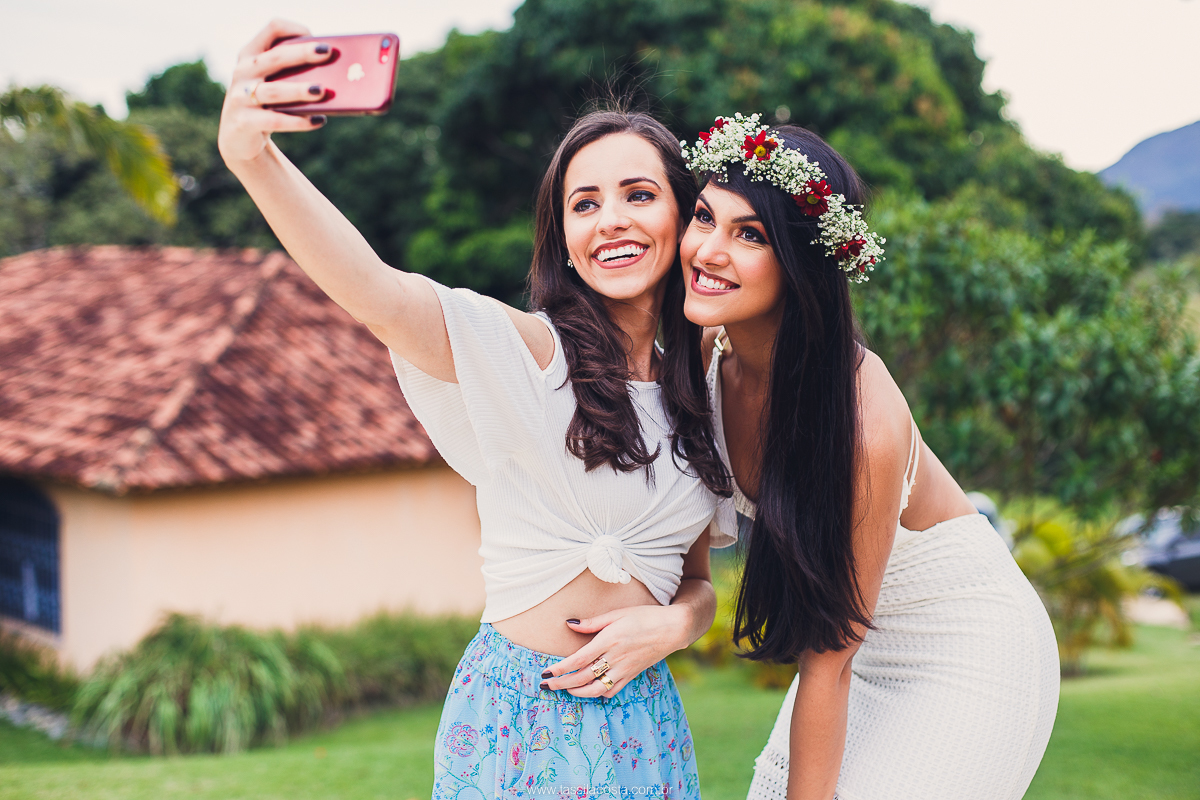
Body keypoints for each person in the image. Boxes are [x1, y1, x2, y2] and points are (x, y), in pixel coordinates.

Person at [218, 20, 732, 799]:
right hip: (518, 718)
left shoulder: (701, 393)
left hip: (643, 723)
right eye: (584, 204)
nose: (613, 220)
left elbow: (695, 581)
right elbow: (379, 294)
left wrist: (674, 626)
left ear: (682, 218)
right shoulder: (523, 352)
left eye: (639, 194)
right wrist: (254, 164)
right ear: (563, 238)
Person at [678, 114, 1059, 800]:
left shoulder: (861, 424)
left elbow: (828, 664)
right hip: (852, 643)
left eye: (749, 235)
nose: (707, 250)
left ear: (801, 266)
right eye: (704, 217)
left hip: (965, 646)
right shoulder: (706, 354)